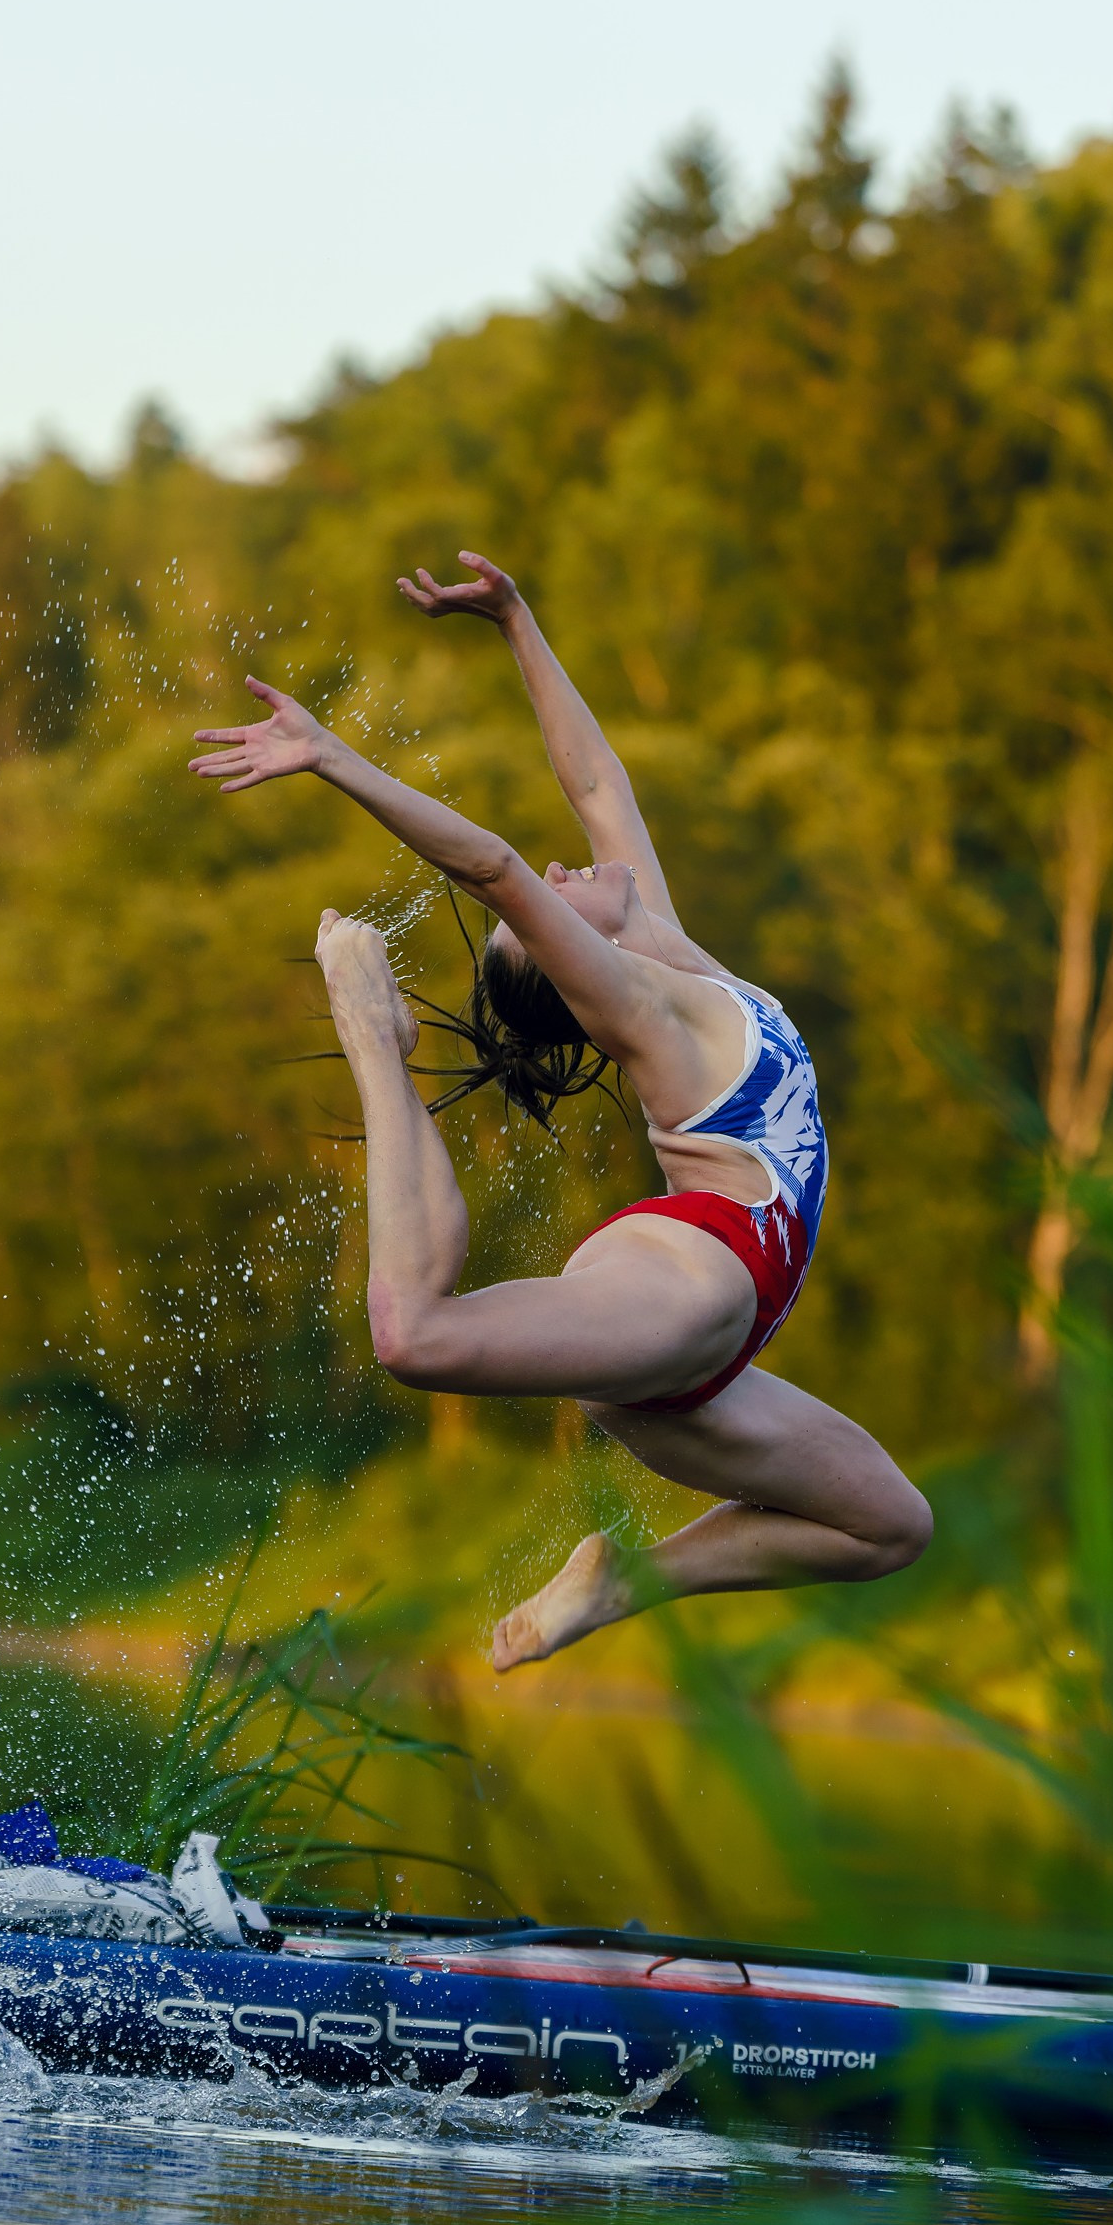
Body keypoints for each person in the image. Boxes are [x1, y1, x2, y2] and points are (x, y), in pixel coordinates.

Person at [191, 553, 931, 1671]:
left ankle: (625, 1577)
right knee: (413, 1335)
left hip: (704, 1360)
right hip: (686, 1284)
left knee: (888, 1528)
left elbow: (595, 786)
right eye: (553, 901)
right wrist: (334, 758)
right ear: (567, 954)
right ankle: (375, 1048)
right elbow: (492, 866)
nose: (562, 867)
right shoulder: (637, 1006)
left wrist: (516, 622)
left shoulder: (672, 953)